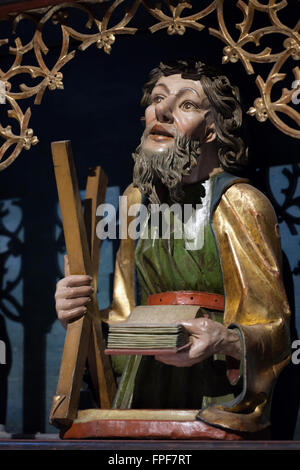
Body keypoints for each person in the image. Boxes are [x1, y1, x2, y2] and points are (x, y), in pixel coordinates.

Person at [54, 60, 291, 436]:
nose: (159, 111)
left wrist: (226, 339)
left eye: (186, 104)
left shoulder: (240, 202)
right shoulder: (135, 203)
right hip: (141, 387)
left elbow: (276, 331)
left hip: (213, 390)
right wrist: (79, 319)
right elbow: (122, 318)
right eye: (156, 99)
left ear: (212, 128)